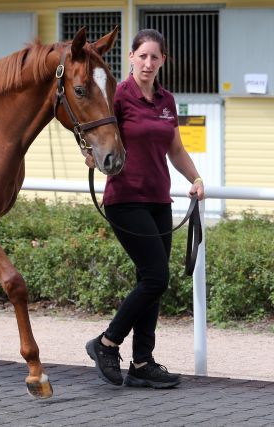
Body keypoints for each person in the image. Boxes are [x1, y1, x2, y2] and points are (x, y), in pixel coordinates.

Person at [83, 29, 205, 389]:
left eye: (155, 57)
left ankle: (141, 362)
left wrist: (196, 179)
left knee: (150, 282)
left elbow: (176, 150)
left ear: (163, 60)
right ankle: (106, 343)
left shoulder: (167, 101)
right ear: (131, 57)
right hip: (125, 198)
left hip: (159, 200)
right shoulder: (118, 96)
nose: (149, 63)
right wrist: (90, 155)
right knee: (156, 277)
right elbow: (96, 131)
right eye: (143, 56)